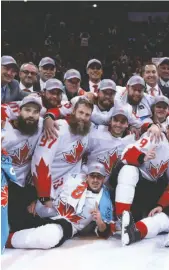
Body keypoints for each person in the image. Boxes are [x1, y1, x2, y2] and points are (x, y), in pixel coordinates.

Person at [5, 163, 114, 250]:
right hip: (46, 213)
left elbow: (105, 232)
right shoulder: (74, 179)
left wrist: (100, 222)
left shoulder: (103, 200)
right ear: (87, 176)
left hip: (66, 224)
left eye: (99, 177)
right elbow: (53, 192)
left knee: (50, 236)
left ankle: (6, 241)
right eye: (93, 176)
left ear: (103, 179)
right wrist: (37, 201)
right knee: (13, 200)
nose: (95, 180)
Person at [114, 116, 169, 222]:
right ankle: (121, 217)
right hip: (139, 181)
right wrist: (142, 157)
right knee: (128, 171)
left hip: (153, 186)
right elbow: (125, 155)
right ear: (167, 128)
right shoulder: (155, 136)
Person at [31, 98, 93, 217]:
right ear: (73, 111)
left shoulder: (86, 131)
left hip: (67, 187)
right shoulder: (57, 128)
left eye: (87, 115)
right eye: (81, 112)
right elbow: (41, 162)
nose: (83, 118)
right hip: (46, 187)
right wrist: (45, 196)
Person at [2, 95, 44, 233]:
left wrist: (50, 118)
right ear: (19, 111)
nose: (31, 115)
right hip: (6, 186)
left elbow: (59, 112)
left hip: (25, 187)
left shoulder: (39, 126)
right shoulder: (6, 133)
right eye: (27, 110)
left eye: (35, 112)